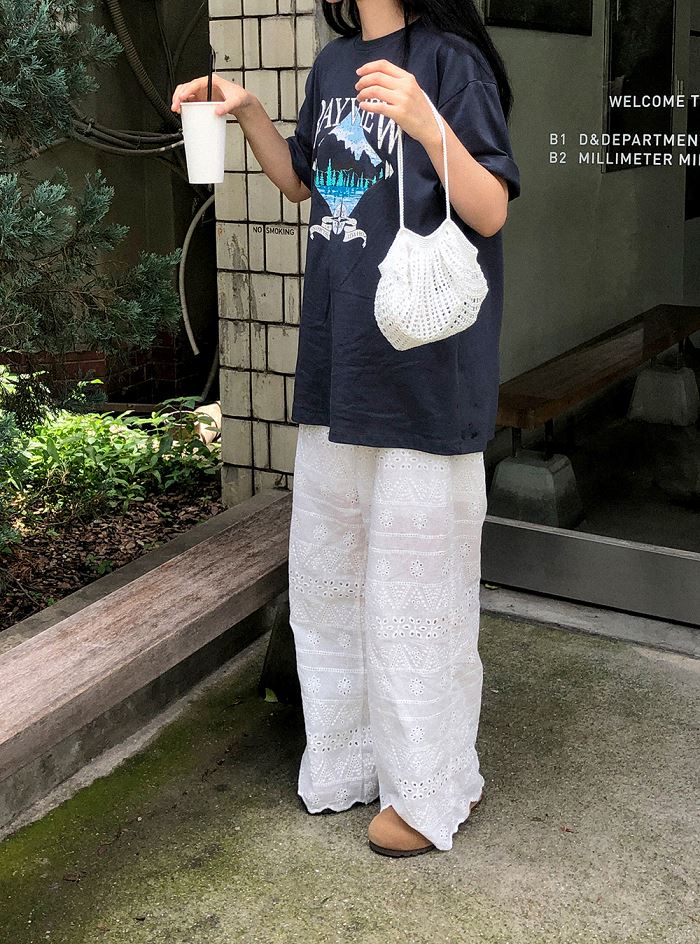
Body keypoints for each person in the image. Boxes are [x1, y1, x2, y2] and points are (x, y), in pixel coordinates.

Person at [172, 0, 520, 858]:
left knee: (417, 593)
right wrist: (248, 110)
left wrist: (427, 121)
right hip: (342, 364)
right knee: (334, 581)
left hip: (423, 372)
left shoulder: (450, 60)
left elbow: (491, 209)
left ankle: (430, 787)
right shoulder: (332, 65)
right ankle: (353, 759)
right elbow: (303, 184)